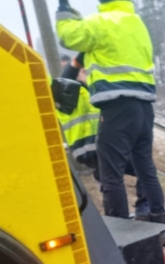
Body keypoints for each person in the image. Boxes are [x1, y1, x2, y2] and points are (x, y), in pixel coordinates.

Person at [52, 0, 165, 223]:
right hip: (145, 107)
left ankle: (121, 231)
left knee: (110, 173)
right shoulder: (137, 24)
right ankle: (158, 218)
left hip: (117, 107)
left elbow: (69, 36)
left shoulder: (102, 23)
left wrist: (63, 3)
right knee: (145, 167)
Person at [53, 54, 149, 219]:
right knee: (112, 181)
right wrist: (75, 63)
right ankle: (121, 221)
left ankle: (142, 212)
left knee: (141, 172)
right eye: (83, 71)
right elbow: (64, 80)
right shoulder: (70, 95)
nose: (86, 73)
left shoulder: (94, 92)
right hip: (90, 147)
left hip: (106, 144)